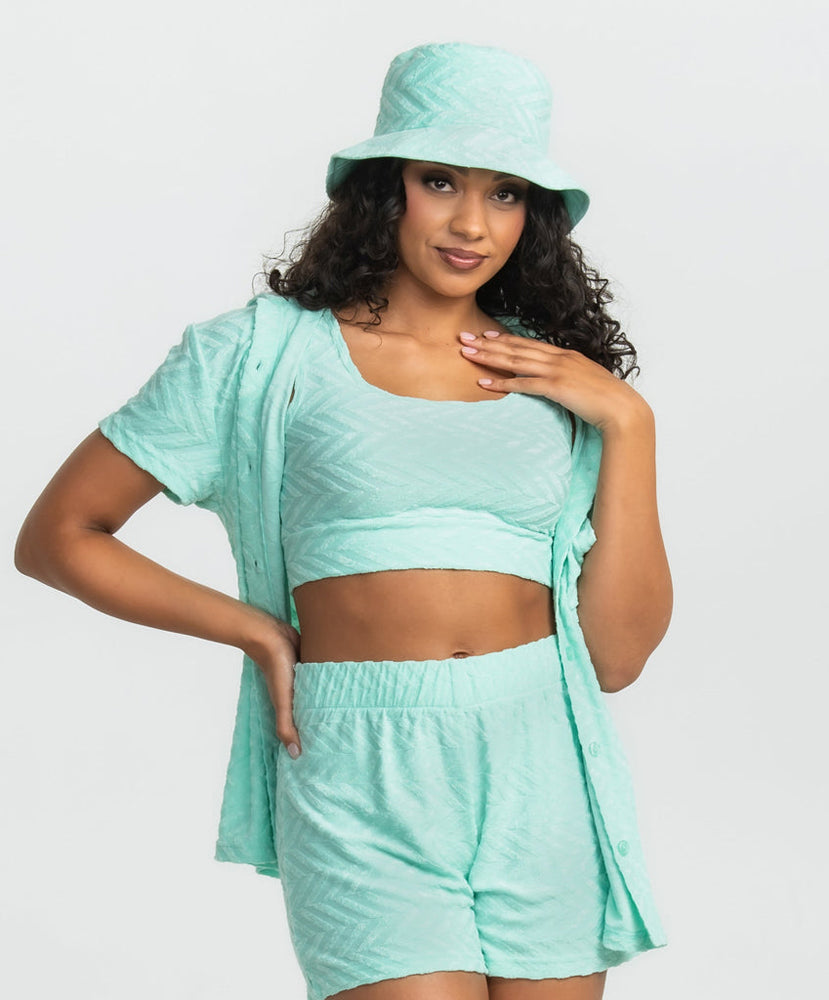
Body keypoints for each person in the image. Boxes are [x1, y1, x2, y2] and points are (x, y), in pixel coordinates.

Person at [15, 40, 672, 1000]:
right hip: (361, 760)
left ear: (532, 215)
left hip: (541, 758)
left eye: (503, 193)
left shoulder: (559, 382)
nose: (470, 223)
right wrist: (254, 630)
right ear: (381, 190)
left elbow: (613, 658)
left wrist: (628, 424)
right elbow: (59, 536)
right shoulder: (258, 355)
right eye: (439, 181)